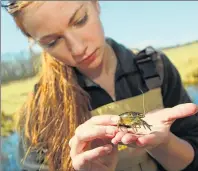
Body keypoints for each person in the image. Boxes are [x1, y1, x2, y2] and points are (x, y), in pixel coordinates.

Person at [2, 1, 198, 171]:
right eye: (52, 42)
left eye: (80, 20)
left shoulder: (155, 67)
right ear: (34, 41)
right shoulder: (38, 110)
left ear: (95, 4)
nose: (78, 49)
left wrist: (164, 144)